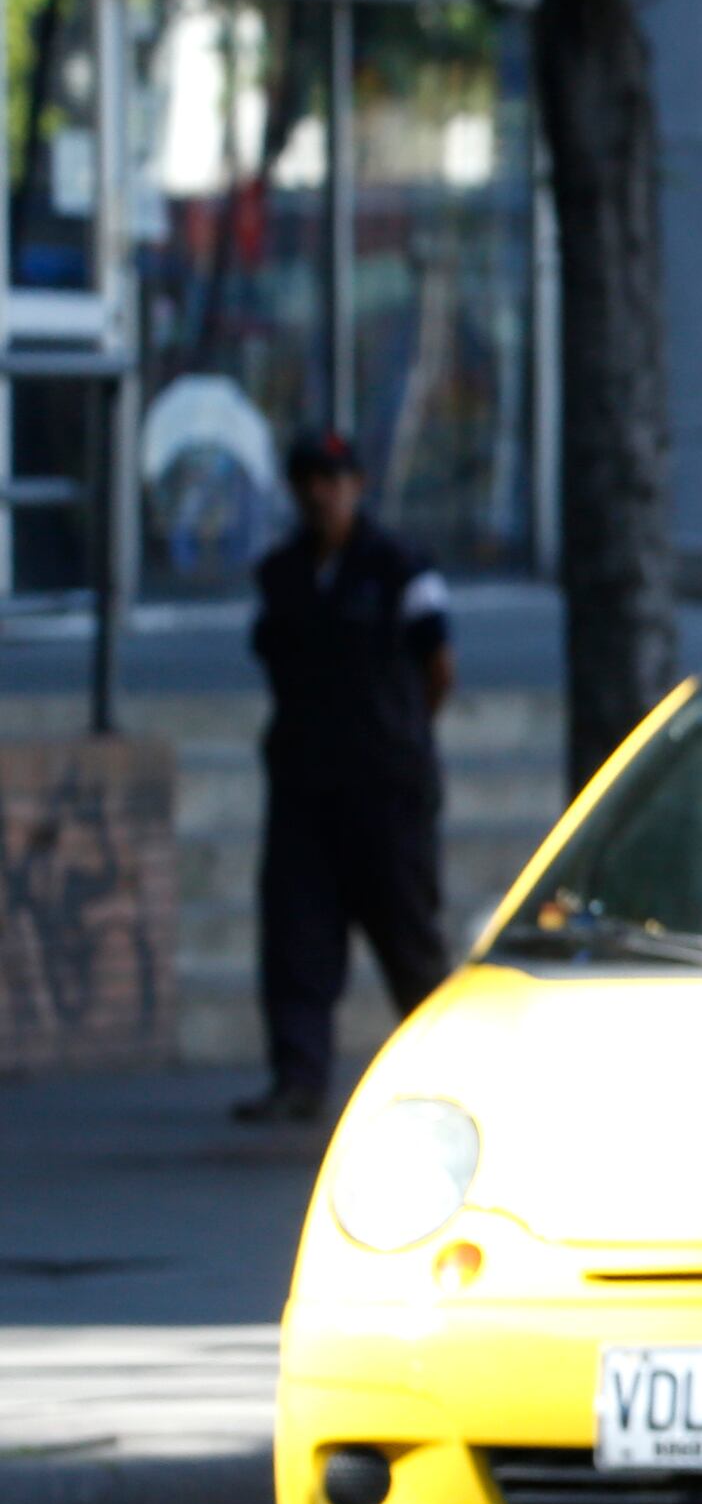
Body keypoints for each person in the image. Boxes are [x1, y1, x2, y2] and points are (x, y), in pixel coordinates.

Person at [239, 431, 454, 1125]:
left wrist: (402, 736)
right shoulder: (281, 573)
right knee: (297, 938)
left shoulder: (399, 567)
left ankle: (449, 1077)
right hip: (305, 785)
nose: (318, 493)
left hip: (385, 788)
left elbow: (438, 665)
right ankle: (297, 1080)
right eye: (307, 479)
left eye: (331, 479)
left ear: (357, 484)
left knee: (409, 939)